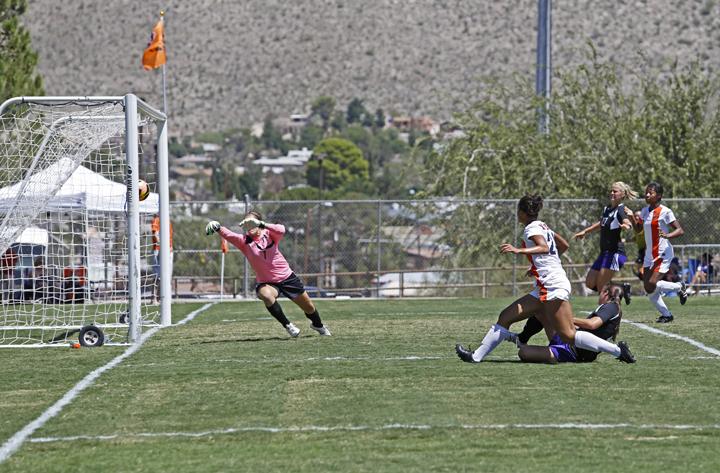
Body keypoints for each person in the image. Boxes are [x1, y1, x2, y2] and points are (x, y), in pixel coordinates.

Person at [455, 194, 635, 364]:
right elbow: (563, 245)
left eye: (518, 210)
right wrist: (538, 265)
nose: (517, 214)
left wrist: (520, 251)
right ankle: (476, 357)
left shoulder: (532, 228)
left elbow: (543, 247)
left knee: (569, 335)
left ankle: (618, 351)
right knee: (506, 316)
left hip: (553, 285)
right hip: (545, 285)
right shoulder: (542, 226)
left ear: (523, 212)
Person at [205, 211, 331, 337]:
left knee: (308, 307)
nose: (249, 226)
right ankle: (288, 326)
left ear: (258, 223)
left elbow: (281, 230)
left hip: (287, 277)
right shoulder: (244, 241)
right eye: (246, 223)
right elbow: (229, 235)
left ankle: (318, 325)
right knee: (265, 294)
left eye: (251, 222)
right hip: (267, 283)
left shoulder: (269, 234)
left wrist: (262, 224)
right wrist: (217, 227)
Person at [516, 283, 625, 363]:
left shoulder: (611, 306)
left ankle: (526, 342)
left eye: (601, 292)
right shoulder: (613, 308)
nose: (599, 295)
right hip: (572, 344)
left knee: (524, 353)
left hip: (571, 351)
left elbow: (592, 324)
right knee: (543, 310)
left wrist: (567, 319)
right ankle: (522, 339)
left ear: (606, 293)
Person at [573, 182, 636, 305]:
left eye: (615, 191)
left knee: (602, 287)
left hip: (615, 253)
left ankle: (605, 315)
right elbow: (601, 223)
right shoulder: (607, 209)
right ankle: (622, 288)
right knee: (590, 283)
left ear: (622, 194)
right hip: (605, 253)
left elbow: (627, 223)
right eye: (611, 191)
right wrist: (585, 232)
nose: (612, 193)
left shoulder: (621, 209)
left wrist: (626, 226)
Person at [633, 182, 688, 323]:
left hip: (663, 253)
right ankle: (667, 315)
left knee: (651, 283)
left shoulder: (665, 211)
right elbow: (638, 229)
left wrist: (668, 236)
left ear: (658, 196)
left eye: (650, 192)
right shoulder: (645, 211)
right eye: (646, 192)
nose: (646, 195)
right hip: (649, 254)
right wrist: (630, 217)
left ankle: (678, 286)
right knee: (648, 288)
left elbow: (679, 230)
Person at [151, 214, 174, 304]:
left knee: (167, 275)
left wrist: (170, 247)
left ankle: (163, 298)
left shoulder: (168, 220)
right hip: (158, 250)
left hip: (169, 250)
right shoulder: (156, 219)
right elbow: (156, 234)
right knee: (157, 275)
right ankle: (154, 298)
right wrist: (162, 245)